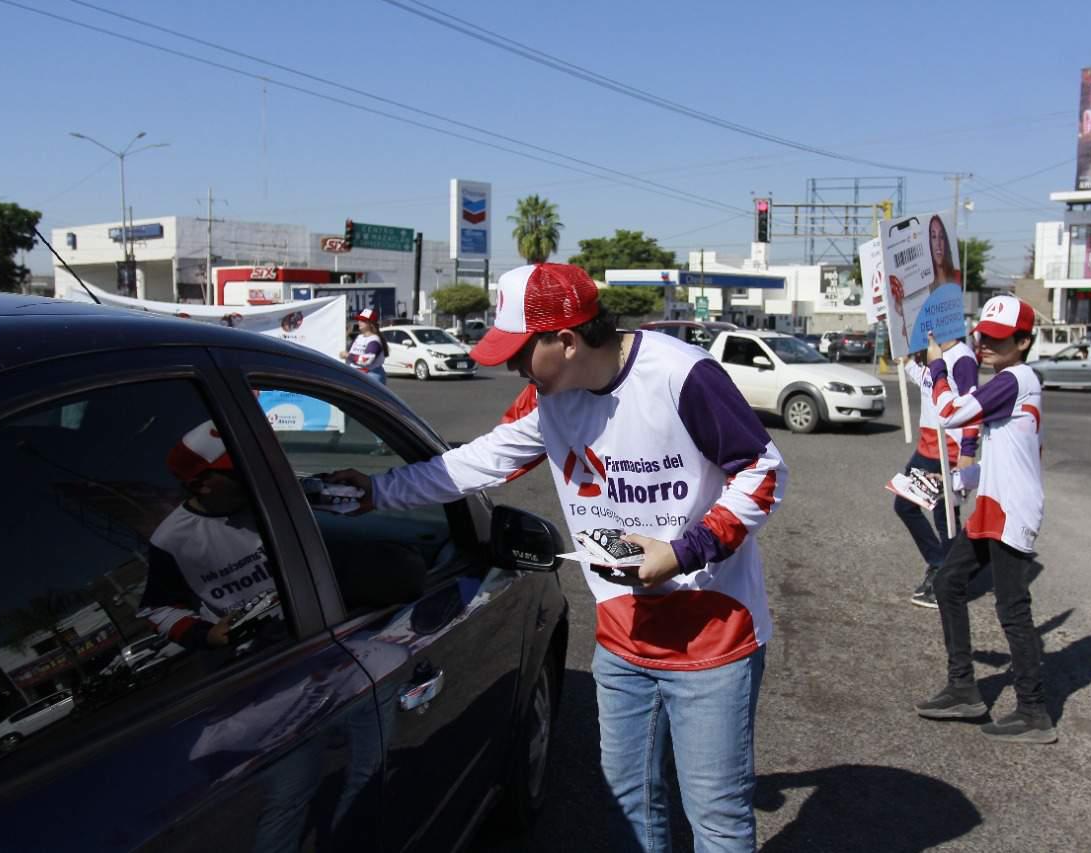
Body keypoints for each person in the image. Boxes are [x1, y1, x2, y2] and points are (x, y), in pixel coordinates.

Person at [326, 263, 788, 851]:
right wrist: (375, 491)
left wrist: (682, 552)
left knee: (717, 818)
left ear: (566, 340)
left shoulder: (680, 374)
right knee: (628, 804)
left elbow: (764, 470)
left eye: (520, 352)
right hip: (623, 639)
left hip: (713, 639)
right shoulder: (545, 398)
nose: (514, 367)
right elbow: (478, 462)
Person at [914, 296, 1056, 744]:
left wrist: (937, 367)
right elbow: (1020, 449)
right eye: (983, 337)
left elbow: (950, 413)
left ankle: (1034, 712)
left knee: (1012, 608)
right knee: (948, 583)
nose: (985, 346)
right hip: (993, 503)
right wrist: (965, 475)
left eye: (997, 339)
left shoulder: (1016, 377)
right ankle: (963, 688)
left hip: (1010, 509)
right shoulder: (1012, 382)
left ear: (1024, 341)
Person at [139, 420, 281, 650]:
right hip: (263, 653)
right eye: (239, 468)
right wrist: (204, 635)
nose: (255, 470)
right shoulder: (171, 541)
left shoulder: (281, 495)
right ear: (200, 485)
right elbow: (156, 610)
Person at [897, 339, 979, 608]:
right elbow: (927, 383)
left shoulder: (962, 357)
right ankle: (942, 565)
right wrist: (906, 360)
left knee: (946, 519)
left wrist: (967, 452)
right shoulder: (935, 353)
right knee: (906, 506)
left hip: (949, 450)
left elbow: (972, 406)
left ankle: (948, 578)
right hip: (927, 449)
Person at [343, 308, 388, 384]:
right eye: (359, 319)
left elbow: (366, 360)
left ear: (370, 324)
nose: (359, 322)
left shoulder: (374, 340)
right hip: (358, 374)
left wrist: (348, 356)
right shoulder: (359, 337)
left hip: (371, 375)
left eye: (363, 320)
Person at [928, 214, 961, 292]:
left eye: (941, 236)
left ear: (946, 242)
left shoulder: (956, 275)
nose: (938, 243)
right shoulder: (925, 282)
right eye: (933, 236)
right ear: (929, 242)